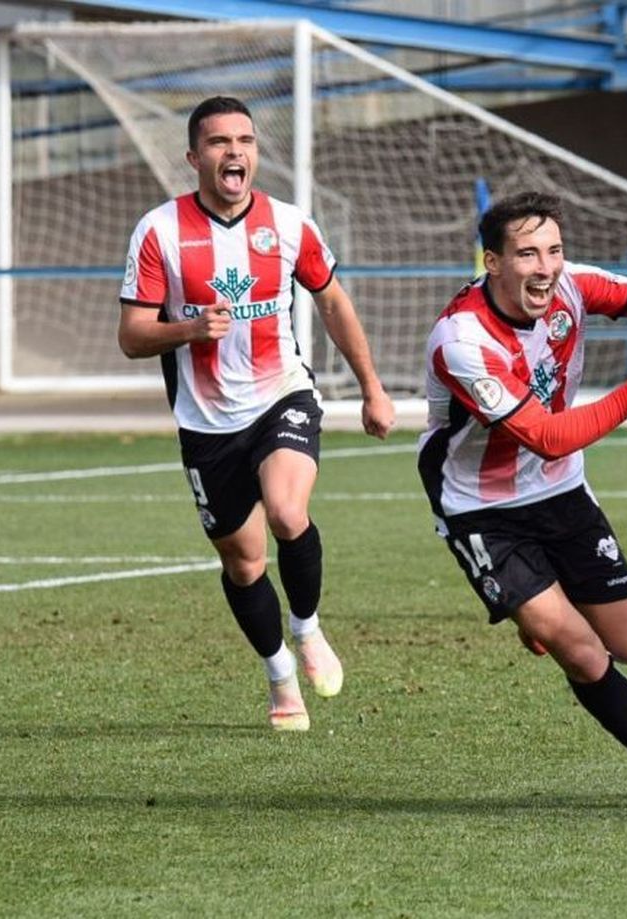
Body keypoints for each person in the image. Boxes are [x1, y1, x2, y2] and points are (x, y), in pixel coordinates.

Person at [419, 191, 627, 813]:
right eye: (527, 254)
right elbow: (549, 435)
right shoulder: (462, 340)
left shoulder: (574, 286)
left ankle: (542, 612)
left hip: (559, 490)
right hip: (480, 505)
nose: (546, 267)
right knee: (583, 652)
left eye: (554, 250)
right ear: (493, 262)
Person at [118, 96, 395, 731]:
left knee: (288, 512)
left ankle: (309, 629)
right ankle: (279, 676)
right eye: (218, 142)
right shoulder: (159, 230)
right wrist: (186, 328)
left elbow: (332, 304)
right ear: (195, 158)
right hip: (207, 422)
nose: (234, 151)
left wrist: (372, 388)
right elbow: (132, 335)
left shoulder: (291, 225)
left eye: (244, 140)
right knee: (243, 563)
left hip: (282, 395)